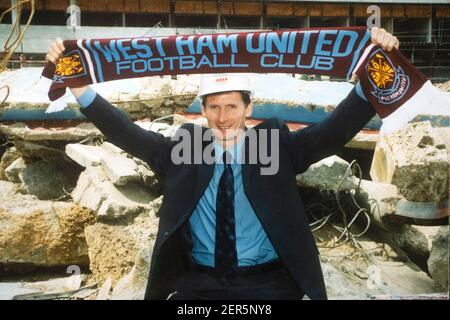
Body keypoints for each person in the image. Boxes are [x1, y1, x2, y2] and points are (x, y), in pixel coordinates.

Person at [46, 27, 399, 300]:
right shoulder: (184, 148)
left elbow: (333, 130)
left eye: (231, 106)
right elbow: (124, 131)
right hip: (199, 284)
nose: (223, 117)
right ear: (202, 110)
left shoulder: (275, 145)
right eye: (213, 107)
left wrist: (375, 68)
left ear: (249, 108)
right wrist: (78, 84)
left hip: (270, 284)